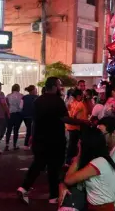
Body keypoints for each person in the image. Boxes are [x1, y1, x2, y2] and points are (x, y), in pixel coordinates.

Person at [18, 77, 69, 205]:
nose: (60, 87)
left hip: (40, 140)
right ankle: (53, 196)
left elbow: (35, 121)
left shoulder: (38, 101)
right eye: (59, 85)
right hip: (55, 140)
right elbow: (65, 119)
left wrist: (32, 136)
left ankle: (24, 187)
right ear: (53, 86)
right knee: (54, 169)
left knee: (38, 164)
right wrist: (83, 122)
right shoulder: (58, 101)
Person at [60, 127, 115, 211]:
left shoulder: (97, 163)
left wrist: (79, 156)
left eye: (79, 143)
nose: (77, 145)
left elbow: (68, 180)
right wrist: (62, 185)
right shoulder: (102, 160)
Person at [66, 88, 89, 161]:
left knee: (72, 144)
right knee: (74, 144)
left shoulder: (72, 103)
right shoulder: (79, 104)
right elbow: (74, 115)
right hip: (77, 126)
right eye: (82, 95)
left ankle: (69, 160)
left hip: (72, 127)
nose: (83, 96)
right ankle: (70, 159)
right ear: (79, 96)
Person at [5, 84, 23, 150]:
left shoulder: (8, 96)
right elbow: (21, 107)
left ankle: (7, 145)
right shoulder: (21, 96)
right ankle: (14, 145)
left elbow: (6, 105)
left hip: (10, 114)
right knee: (16, 130)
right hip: (18, 114)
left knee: (9, 130)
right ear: (18, 88)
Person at [21, 85, 38, 149]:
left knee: (29, 130)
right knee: (32, 131)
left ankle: (27, 144)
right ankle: (29, 144)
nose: (36, 90)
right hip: (33, 116)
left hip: (25, 116)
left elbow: (21, 106)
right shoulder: (37, 97)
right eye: (35, 89)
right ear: (33, 90)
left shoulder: (24, 97)